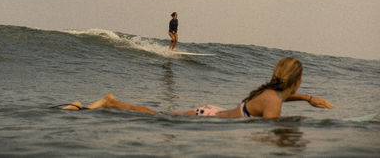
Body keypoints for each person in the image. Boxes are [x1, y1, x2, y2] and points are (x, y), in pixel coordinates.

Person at [61, 57, 334, 118]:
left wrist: (308, 98)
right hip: (209, 119)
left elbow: (281, 99)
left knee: (159, 116)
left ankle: (108, 103)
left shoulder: (270, 94)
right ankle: (110, 102)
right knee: (157, 117)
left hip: (211, 114)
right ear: (296, 80)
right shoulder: (272, 100)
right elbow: (273, 133)